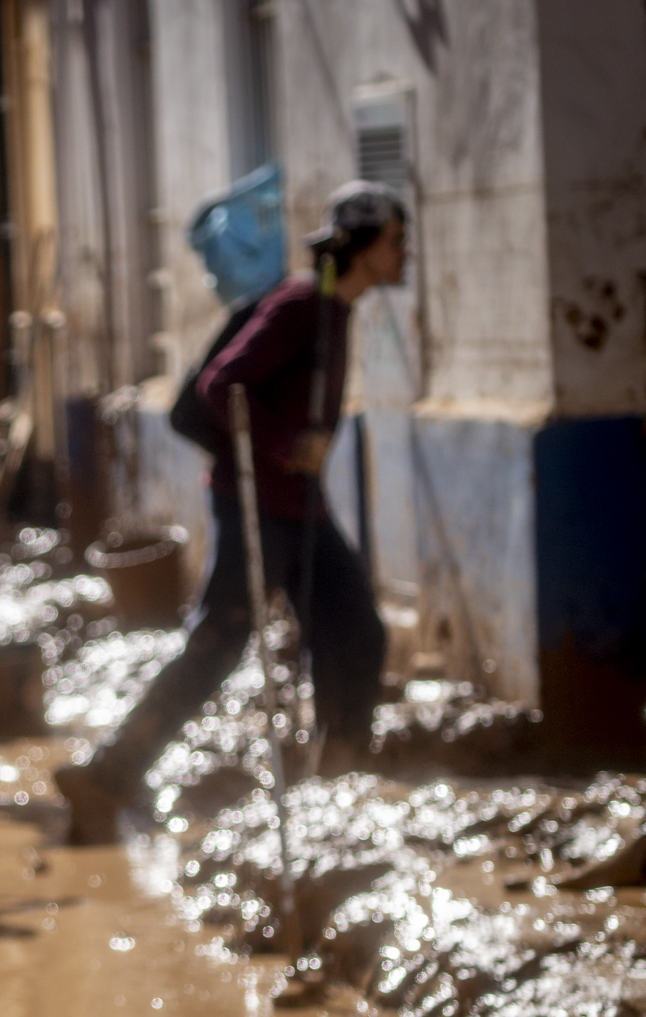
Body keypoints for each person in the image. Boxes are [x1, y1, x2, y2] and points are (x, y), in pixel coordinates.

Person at [57, 181, 406, 844]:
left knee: (356, 630)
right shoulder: (304, 303)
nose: (404, 252)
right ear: (361, 247)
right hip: (257, 503)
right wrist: (284, 444)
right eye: (395, 240)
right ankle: (107, 774)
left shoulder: (336, 306)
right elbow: (223, 383)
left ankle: (337, 778)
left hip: (300, 506)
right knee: (219, 644)